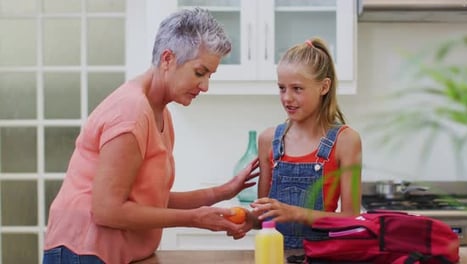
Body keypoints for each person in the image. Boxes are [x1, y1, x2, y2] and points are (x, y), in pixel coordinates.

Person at [43, 8, 259, 264]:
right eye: (199, 72)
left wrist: (222, 192)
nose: (205, 86)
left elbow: (149, 201)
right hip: (82, 252)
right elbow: (107, 211)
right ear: (167, 59)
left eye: (209, 75)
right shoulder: (130, 112)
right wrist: (195, 219)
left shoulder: (159, 113)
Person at [250, 37, 362, 250]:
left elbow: (352, 219)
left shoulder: (346, 141)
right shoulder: (268, 140)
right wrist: (245, 219)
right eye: (282, 88)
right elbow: (262, 218)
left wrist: (295, 213)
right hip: (275, 256)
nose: (287, 98)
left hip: (323, 255)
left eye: (297, 89)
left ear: (324, 87)